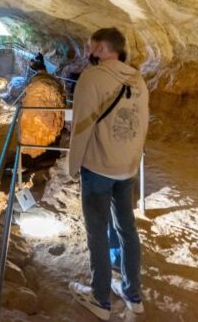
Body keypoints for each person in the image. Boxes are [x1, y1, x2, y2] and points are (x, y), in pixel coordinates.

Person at [67, 28, 149, 320]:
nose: (89, 52)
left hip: (98, 168)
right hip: (126, 169)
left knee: (98, 233)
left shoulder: (92, 77)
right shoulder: (138, 79)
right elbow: (142, 125)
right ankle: (133, 294)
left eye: (91, 47)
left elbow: (81, 126)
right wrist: (133, 161)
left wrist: (73, 165)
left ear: (101, 48)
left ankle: (100, 299)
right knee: (127, 229)